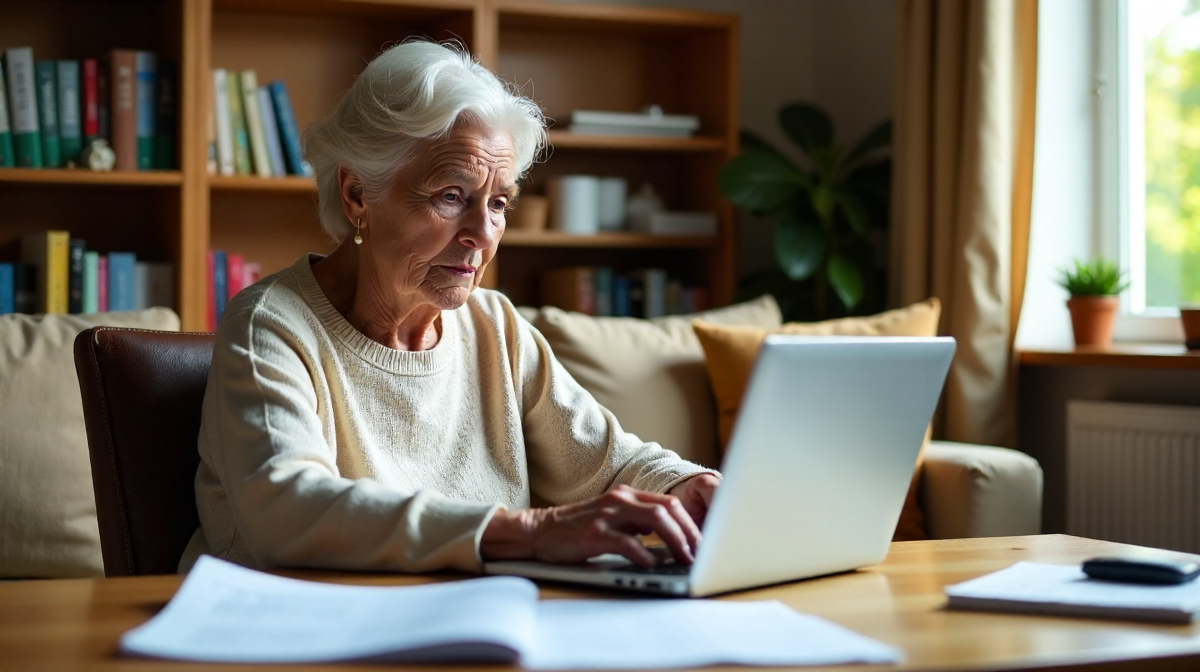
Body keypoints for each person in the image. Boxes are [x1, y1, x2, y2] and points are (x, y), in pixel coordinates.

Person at [179, 41, 721, 575]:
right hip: (299, 640)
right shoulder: (272, 325)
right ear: (357, 194)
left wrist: (686, 486)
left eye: (499, 203)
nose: (483, 235)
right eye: (451, 196)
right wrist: (528, 531)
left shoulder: (495, 326)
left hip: (469, 628)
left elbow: (608, 463)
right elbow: (289, 512)